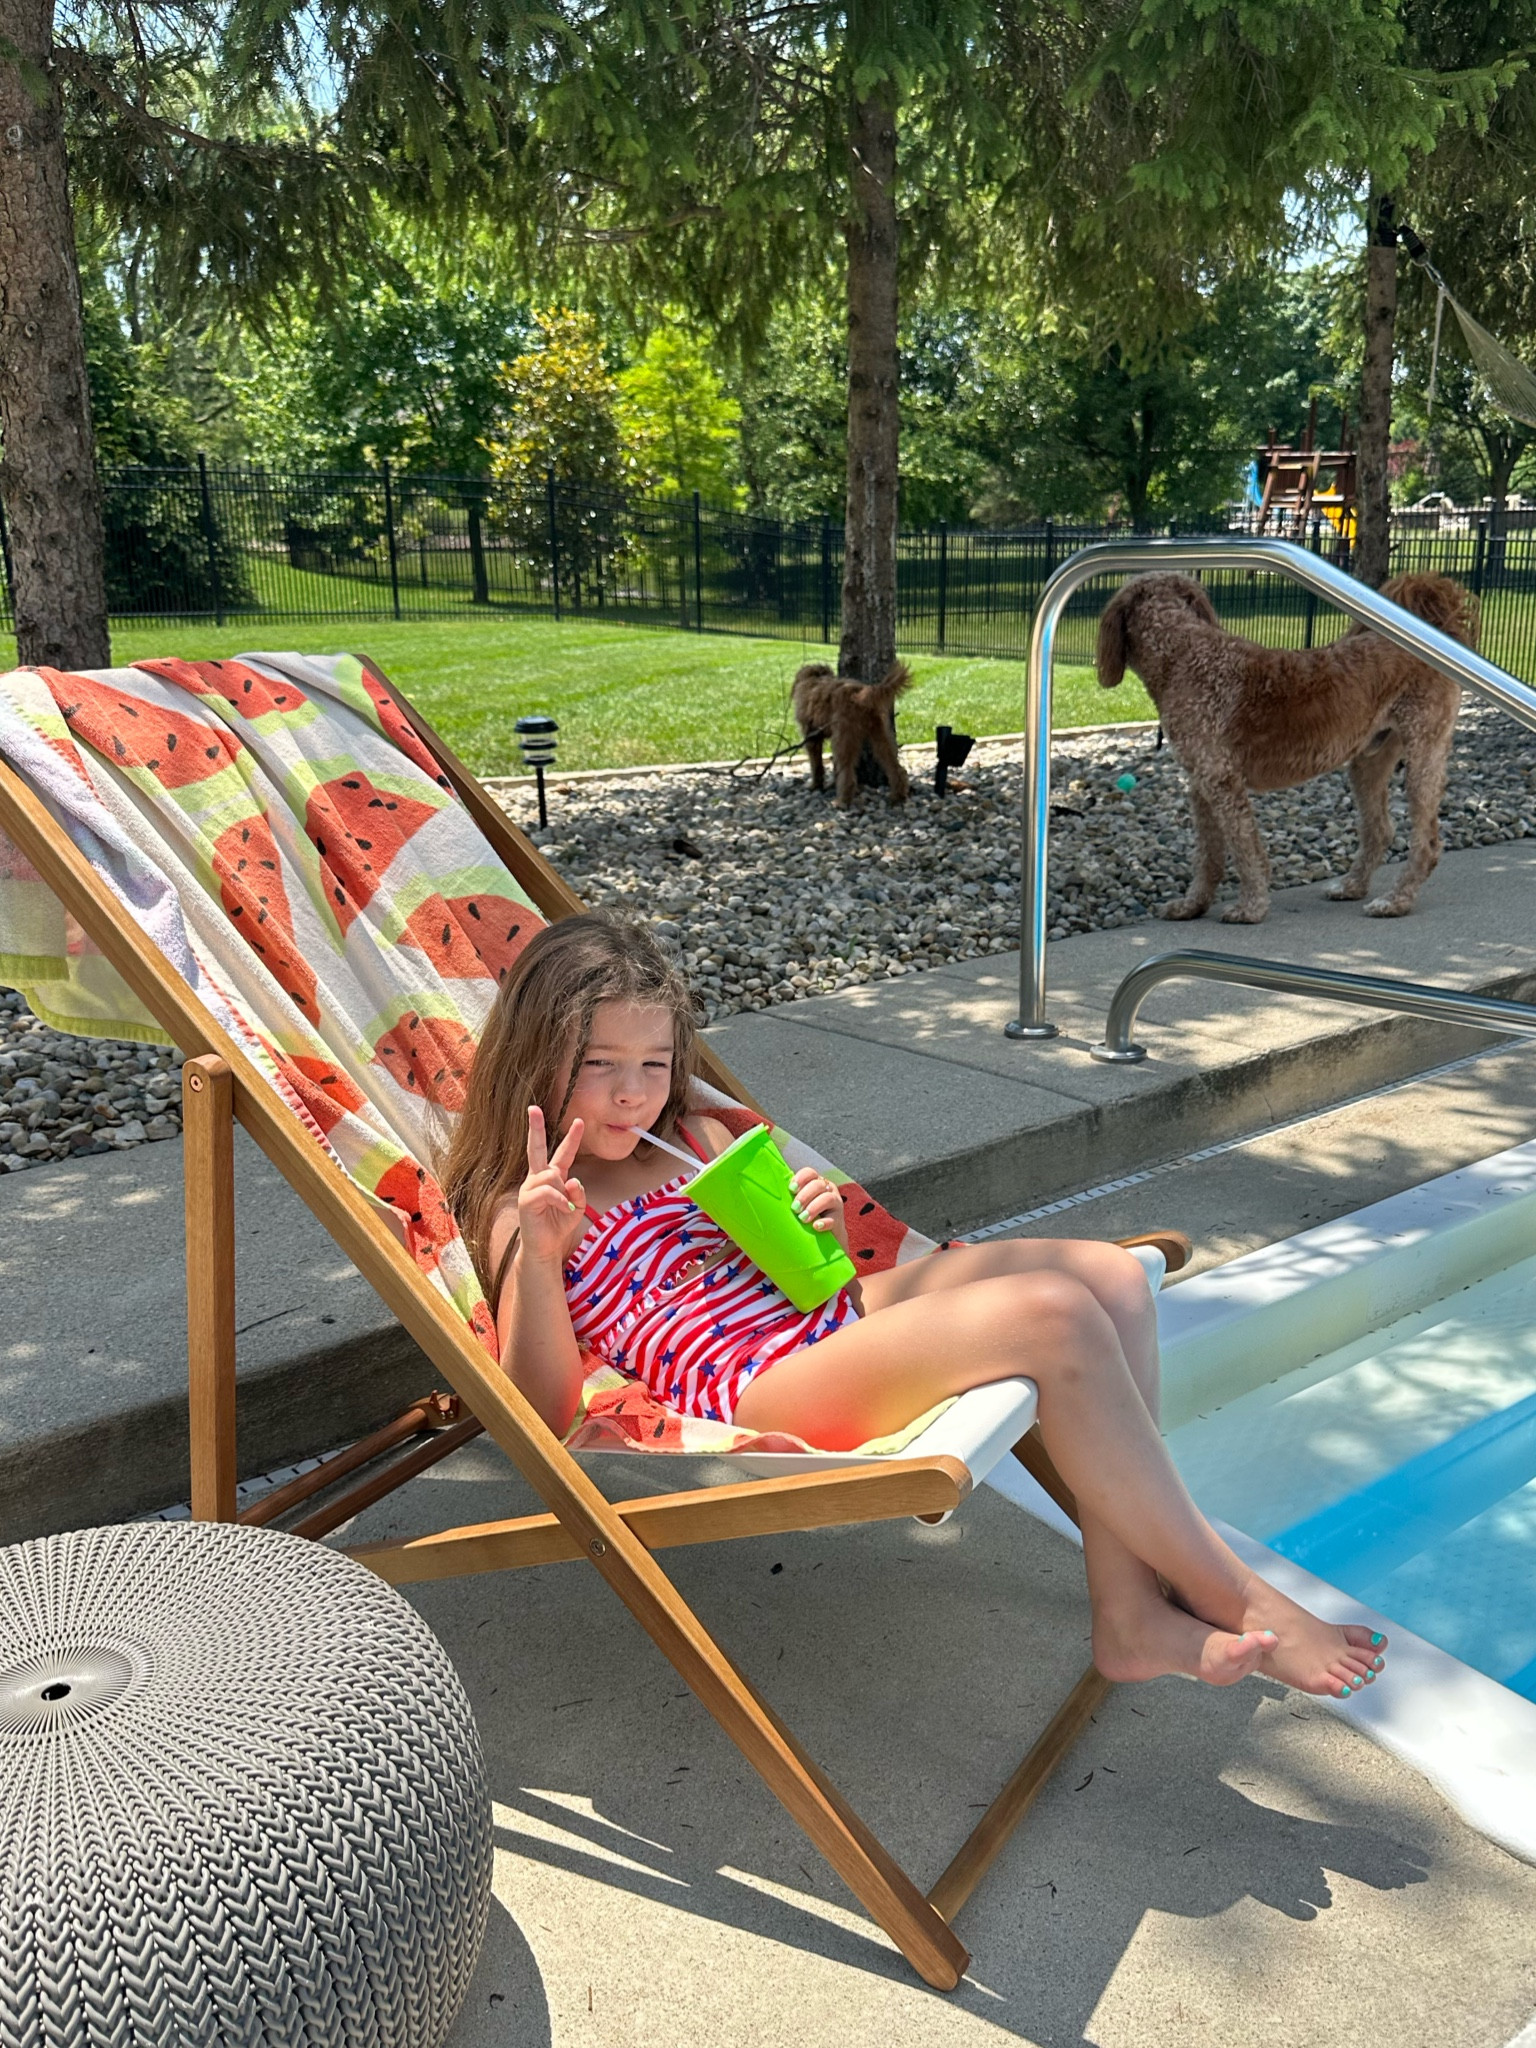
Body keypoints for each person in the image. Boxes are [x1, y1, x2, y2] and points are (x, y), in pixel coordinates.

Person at [443, 914, 1388, 1700]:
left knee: (1105, 1275)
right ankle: (1234, 1593)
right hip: (756, 1387)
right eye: (599, 1064)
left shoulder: (690, 1134)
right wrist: (538, 1257)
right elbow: (543, 1411)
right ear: (537, 1058)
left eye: (653, 1064)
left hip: (828, 1321)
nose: (631, 1093)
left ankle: (1128, 1609)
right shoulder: (525, 1205)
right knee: (1052, 1316)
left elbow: (809, 1274)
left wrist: (809, 1221)